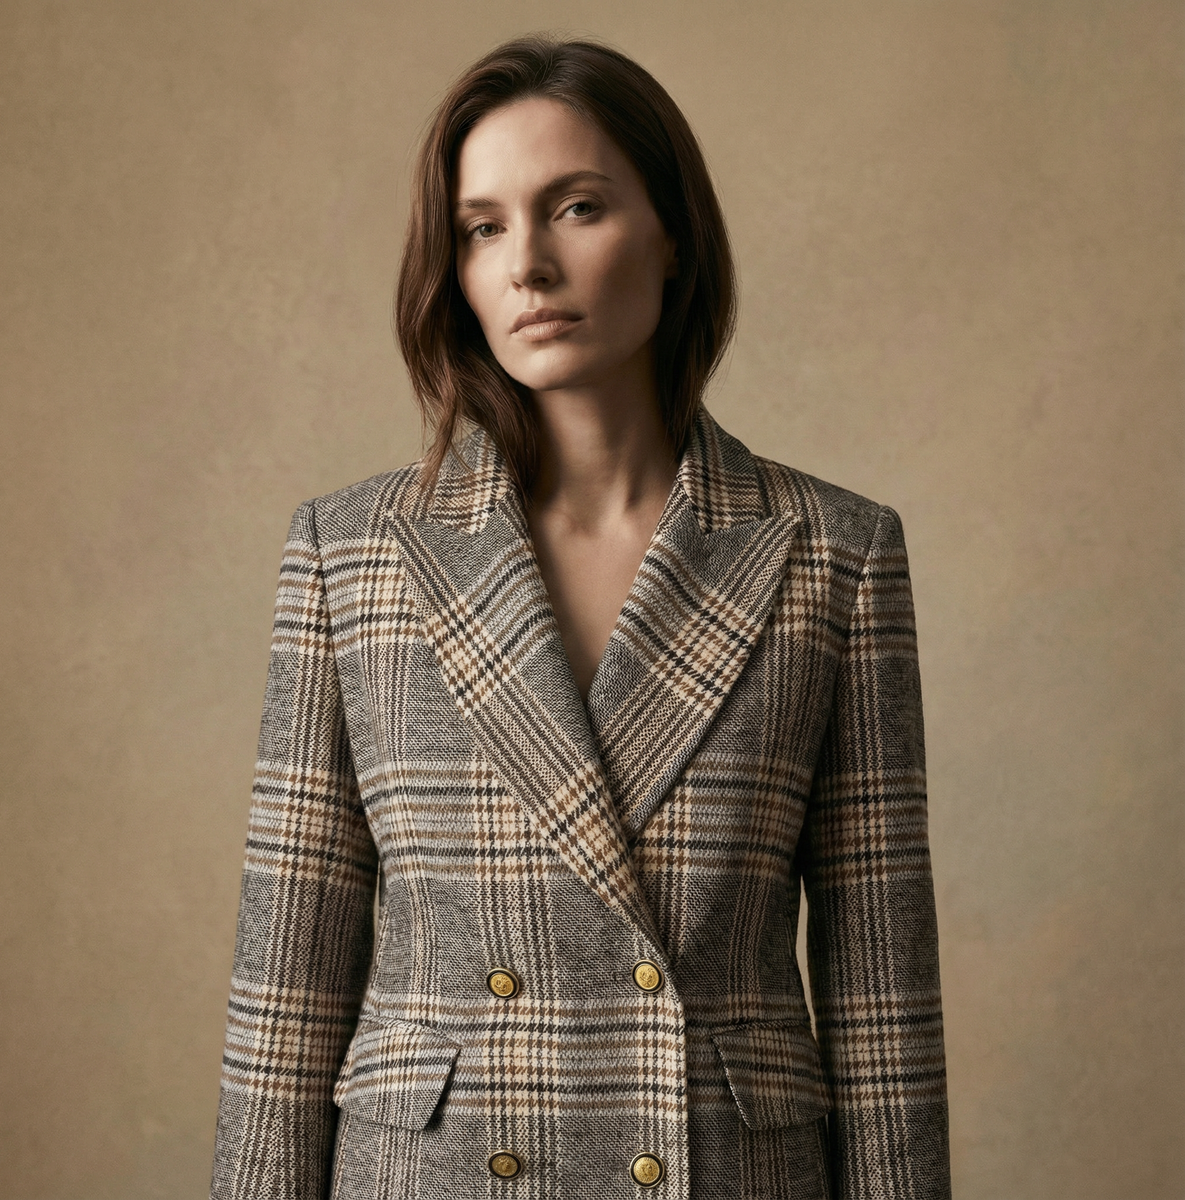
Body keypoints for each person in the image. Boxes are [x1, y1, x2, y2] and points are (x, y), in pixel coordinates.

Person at [211, 35, 951, 1200]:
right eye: (484, 226)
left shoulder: (834, 555)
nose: (529, 266)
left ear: (674, 240)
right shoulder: (352, 554)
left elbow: (882, 1001)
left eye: (579, 207)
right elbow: (286, 987)